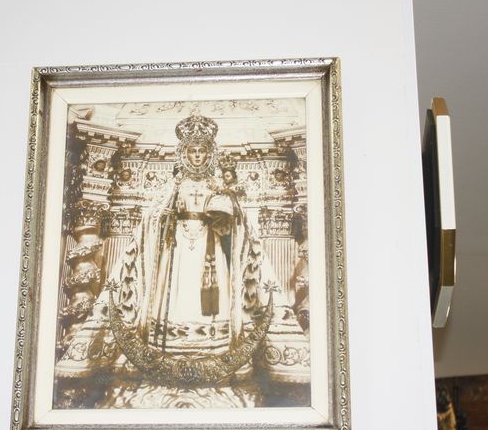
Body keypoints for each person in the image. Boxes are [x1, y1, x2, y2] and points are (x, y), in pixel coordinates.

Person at [55, 112, 308, 409]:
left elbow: (239, 228)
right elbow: (151, 223)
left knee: (212, 302)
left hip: (213, 257)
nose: (197, 156)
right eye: (192, 151)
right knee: (177, 295)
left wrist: (225, 219)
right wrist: (166, 220)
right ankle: (163, 356)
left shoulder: (219, 186)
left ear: (210, 154)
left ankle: (216, 355)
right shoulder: (172, 188)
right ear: (184, 154)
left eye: (202, 151)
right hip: (174, 258)